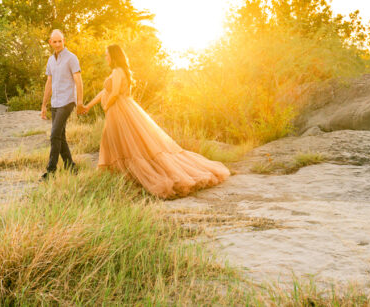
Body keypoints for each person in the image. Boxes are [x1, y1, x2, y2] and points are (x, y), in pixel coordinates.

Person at [83, 44, 229, 198]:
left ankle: (133, 175)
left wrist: (107, 105)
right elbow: (105, 91)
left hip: (119, 111)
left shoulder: (118, 71)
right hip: (119, 110)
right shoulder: (117, 71)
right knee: (116, 141)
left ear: (113, 56)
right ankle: (120, 174)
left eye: (107, 55)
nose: (106, 57)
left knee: (123, 142)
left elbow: (114, 93)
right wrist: (88, 106)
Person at [40, 29, 85, 179]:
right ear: (50, 42)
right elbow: (49, 83)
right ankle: (71, 167)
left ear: (64, 41)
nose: (58, 44)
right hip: (55, 103)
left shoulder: (71, 58)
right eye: (55, 41)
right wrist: (43, 105)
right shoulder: (51, 60)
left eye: (60, 41)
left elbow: (78, 81)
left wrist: (79, 102)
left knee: (54, 135)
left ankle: (51, 172)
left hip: (67, 101)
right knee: (60, 136)